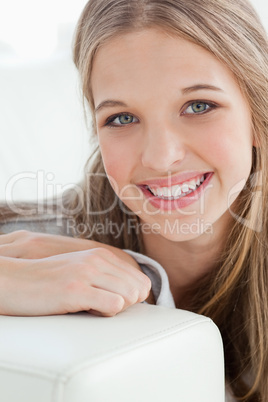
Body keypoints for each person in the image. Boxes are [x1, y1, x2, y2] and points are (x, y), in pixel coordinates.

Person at [0, 0, 267, 400]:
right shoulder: (35, 249)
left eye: (199, 106)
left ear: (258, 117)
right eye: (122, 118)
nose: (160, 158)